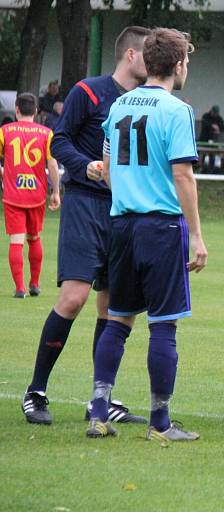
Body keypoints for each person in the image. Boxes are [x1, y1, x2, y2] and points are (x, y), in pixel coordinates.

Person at [20, 26, 152, 426]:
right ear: (130, 54)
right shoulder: (89, 92)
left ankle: (102, 399)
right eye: (150, 52)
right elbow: (58, 142)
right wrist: (88, 167)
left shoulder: (148, 102)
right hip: (86, 205)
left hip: (125, 211)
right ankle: (36, 391)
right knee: (74, 297)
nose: (156, 60)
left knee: (113, 307)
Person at [85, 28, 205, 440]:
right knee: (163, 325)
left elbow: (105, 166)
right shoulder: (176, 110)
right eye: (186, 61)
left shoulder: (119, 105)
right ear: (177, 64)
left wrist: (126, 199)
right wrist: (196, 235)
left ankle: (98, 411)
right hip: (161, 226)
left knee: (117, 320)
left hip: (121, 224)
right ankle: (160, 423)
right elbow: (183, 175)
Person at [1, 93, 60, 298]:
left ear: (16, 109)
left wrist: (3, 172)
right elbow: (52, 163)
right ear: (35, 111)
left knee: (16, 240)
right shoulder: (46, 133)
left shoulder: (5, 131)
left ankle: (19, 288)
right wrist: (56, 191)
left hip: (13, 195)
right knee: (34, 238)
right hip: (36, 195)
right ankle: (34, 284)